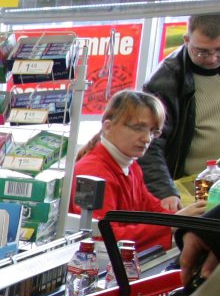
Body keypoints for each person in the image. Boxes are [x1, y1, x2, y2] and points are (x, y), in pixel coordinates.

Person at [73, 90, 173, 254]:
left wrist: (184, 218)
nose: (147, 139)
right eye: (138, 128)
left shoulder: (131, 166)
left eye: (153, 131)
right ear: (108, 127)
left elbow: (152, 208)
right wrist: (172, 225)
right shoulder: (94, 172)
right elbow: (102, 236)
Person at [139, 14, 220, 209]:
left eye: (219, 50)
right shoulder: (165, 81)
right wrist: (165, 191)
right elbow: (150, 144)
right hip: (191, 189)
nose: (212, 59)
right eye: (202, 52)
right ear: (186, 40)